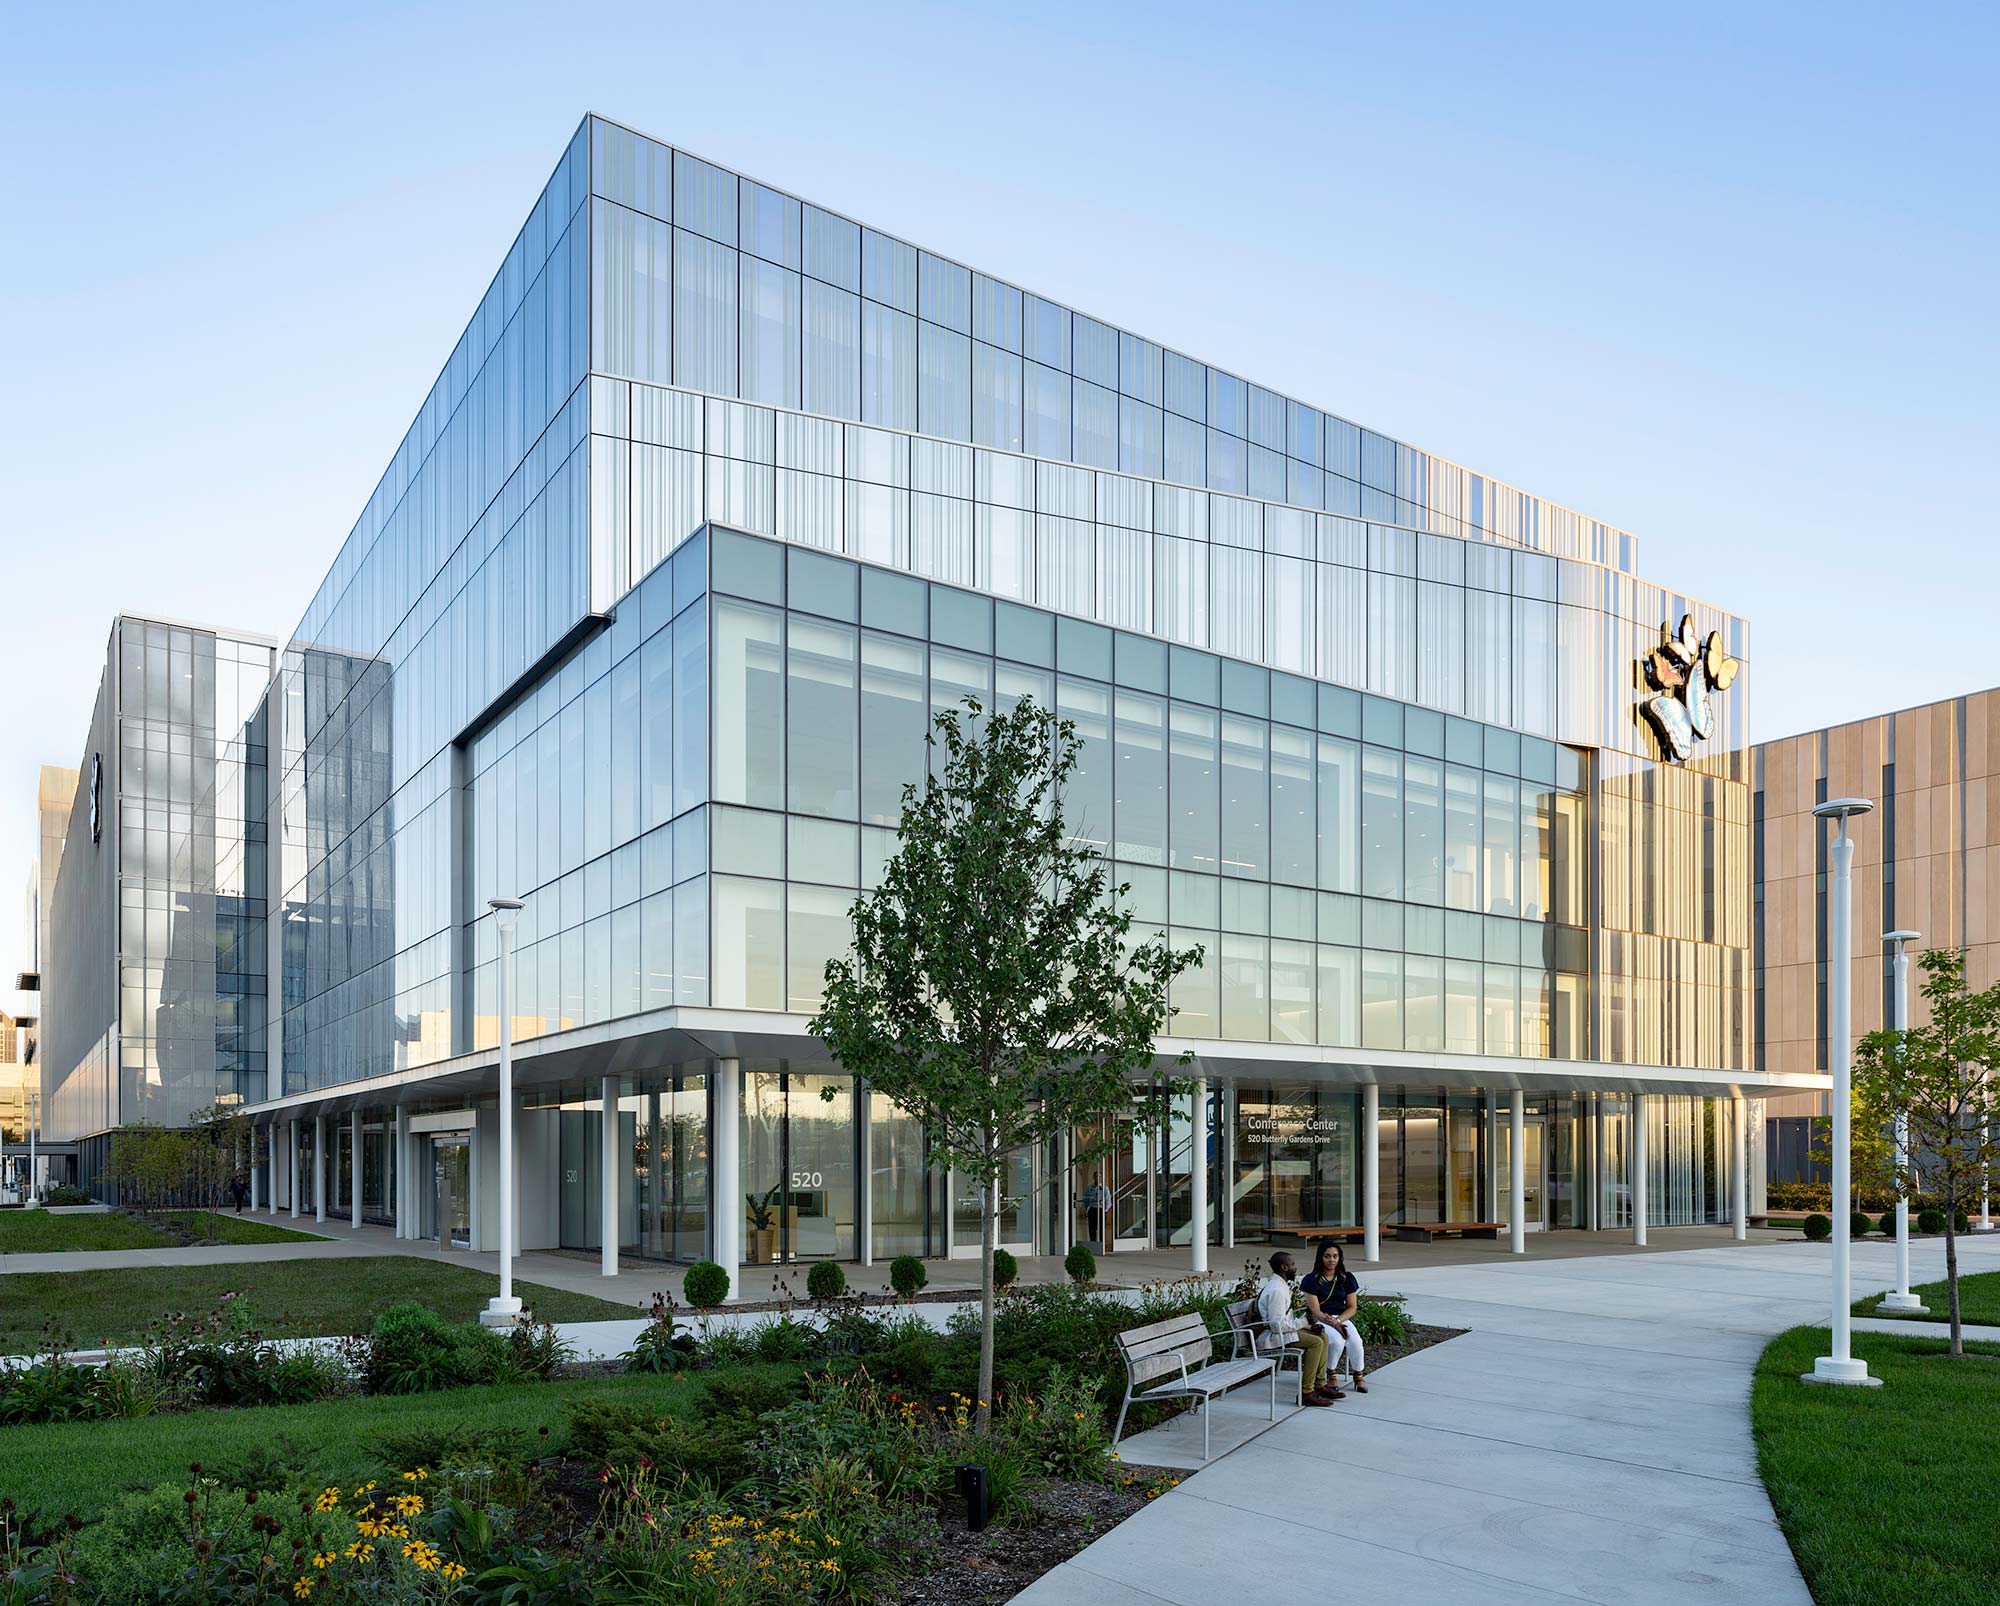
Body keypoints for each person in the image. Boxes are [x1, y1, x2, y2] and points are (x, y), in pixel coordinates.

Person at [1255, 1250, 1342, 1405]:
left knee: (1323, 1336)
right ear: (1284, 1267)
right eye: (1292, 1264)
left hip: (1282, 1332)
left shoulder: (1280, 1285)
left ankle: (1320, 1385)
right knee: (1316, 1343)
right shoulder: (1276, 1290)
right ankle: (1307, 1393)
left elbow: (1283, 1320)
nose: (1295, 1267)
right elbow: (1277, 1326)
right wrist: (1305, 1322)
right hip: (1273, 1337)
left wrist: (1308, 1326)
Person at [1300, 1238, 1368, 1393]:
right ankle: (1331, 1375)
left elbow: (1352, 1307)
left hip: (1339, 1318)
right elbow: (1315, 1310)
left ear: (1339, 1258)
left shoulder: (1346, 1278)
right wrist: (1330, 1322)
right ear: (1320, 1257)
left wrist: (1337, 1321)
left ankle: (1359, 1376)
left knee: (1356, 1341)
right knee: (1337, 1341)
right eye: (1327, 1256)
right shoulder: (1311, 1280)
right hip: (1319, 1319)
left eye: (1335, 1256)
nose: (1331, 1260)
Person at [1082, 1172, 1110, 1248]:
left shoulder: (1105, 1188)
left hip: (1101, 1210)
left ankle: (1101, 1245)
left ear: (1101, 1178)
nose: (1098, 1178)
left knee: (1101, 1228)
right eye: (1096, 1176)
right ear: (1093, 1178)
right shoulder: (1089, 1188)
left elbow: (1108, 1201)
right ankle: (1093, 1244)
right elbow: (1086, 1199)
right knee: (1092, 1229)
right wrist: (1086, 1209)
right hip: (1092, 1210)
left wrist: (1105, 1210)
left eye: (1099, 1176)